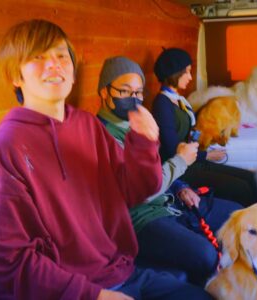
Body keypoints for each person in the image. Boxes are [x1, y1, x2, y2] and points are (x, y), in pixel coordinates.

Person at [0, 19, 211, 299]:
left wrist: (144, 144)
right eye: (38, 57)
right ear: (15, 76)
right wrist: (93, 295)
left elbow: (133, 191)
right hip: (71, 290)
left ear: (72, 71)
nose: (54, 64)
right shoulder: (6, 147)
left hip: (122, 271)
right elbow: (10, 262)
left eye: (61, 55)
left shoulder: (87, 124)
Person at [97, 56, 242, 285]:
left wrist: (181, 186)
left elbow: (154, 166)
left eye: (138, 93)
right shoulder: (100, 135)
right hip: (141, 217)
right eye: (125, 92)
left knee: (240, 217)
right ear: (104, 92)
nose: (134, 100)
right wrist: (181, 162)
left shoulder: (138, 125)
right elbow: (140, 192)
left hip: (170, 199)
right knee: (205, 255)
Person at [152, 48, 257, 207]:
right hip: (182, 168)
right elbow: (170, 148)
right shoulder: (162, 104)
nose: (190, 77)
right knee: (241, 188)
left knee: (252, 179)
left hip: (195, 160)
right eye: (187, 72)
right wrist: (206, 155)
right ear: (174, 73)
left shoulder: (179, 99)